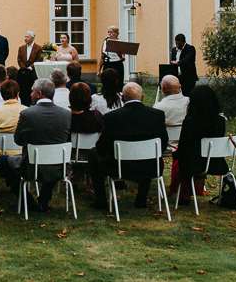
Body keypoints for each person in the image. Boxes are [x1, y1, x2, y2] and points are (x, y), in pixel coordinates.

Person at [89, 82, 168, 210]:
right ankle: (141, 198)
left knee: (93, 154)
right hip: (151, 166)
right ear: (142, 97)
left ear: (122, 98)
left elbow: (102, 146)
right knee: (147, 154)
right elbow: (163, 142)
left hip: (119, 167)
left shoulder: (112, 117)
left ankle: (101, 199)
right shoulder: (156, 115)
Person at [0, 79, 71, 213]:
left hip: (32, 167)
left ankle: (27, 200)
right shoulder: (66, 114)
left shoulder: (28, 114)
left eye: (32, 91)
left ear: (39, 93)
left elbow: (18, 140)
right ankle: (43, 200)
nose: (30, 94)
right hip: (59, 167)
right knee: (49, 164)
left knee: (2, 161)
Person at [171, 86, 227, 203]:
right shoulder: (221, 121)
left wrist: (176, 154)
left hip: (194, 164)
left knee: (181, 159)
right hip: (216, 162)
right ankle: (196, 188)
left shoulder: (190, 122)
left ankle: (183, 193)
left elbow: (183, 146)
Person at [153, 74, 189, 145]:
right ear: (180, 87)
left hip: (166, 145)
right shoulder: (190, 102)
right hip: (187, 143)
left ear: (162, 89)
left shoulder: (158, 107)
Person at [15, 31, 41, 107]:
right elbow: (19, 59)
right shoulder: (21, 48)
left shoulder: (38, 48)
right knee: (23, 90)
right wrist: (24, 68)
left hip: (33, 73)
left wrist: (30, 67)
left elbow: (39, 59)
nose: (25, 38)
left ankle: (32, 103)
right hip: (23, 73)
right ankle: (24, 103)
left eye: (27, 37)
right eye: (25, 37)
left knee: (32, 89)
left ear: (32, 38)